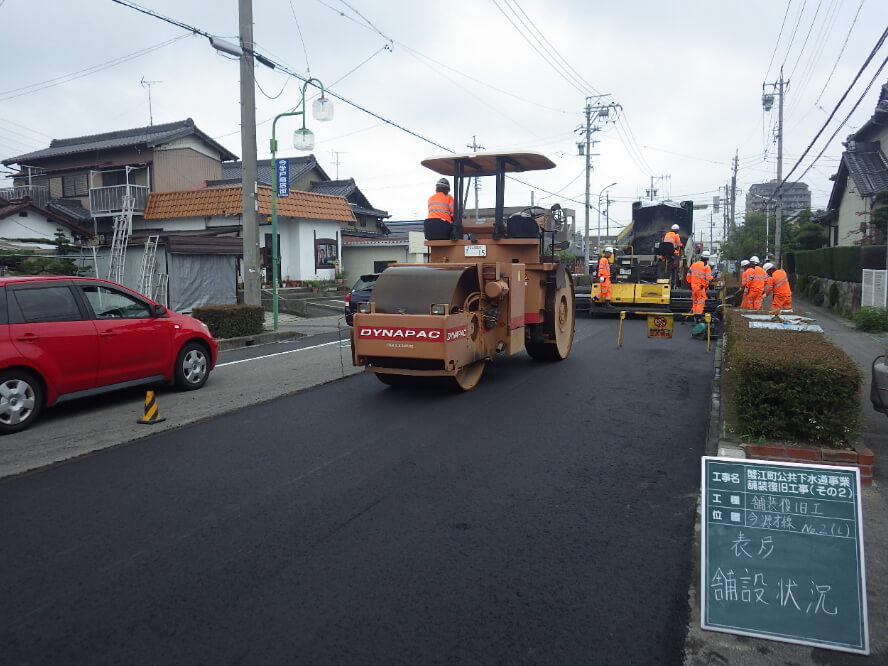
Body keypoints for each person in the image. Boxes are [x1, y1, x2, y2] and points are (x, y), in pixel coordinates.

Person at [686, 250, 713, 317]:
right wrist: (713, 277)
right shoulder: (707, 267)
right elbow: (708, 279)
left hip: (693, 287)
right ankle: (698, 317)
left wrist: (690, 283)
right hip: (700, 288)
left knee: (695, 302)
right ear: (708, 259)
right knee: (700, 303)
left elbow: (688, 275)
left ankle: (695, 317)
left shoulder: (694, 264)